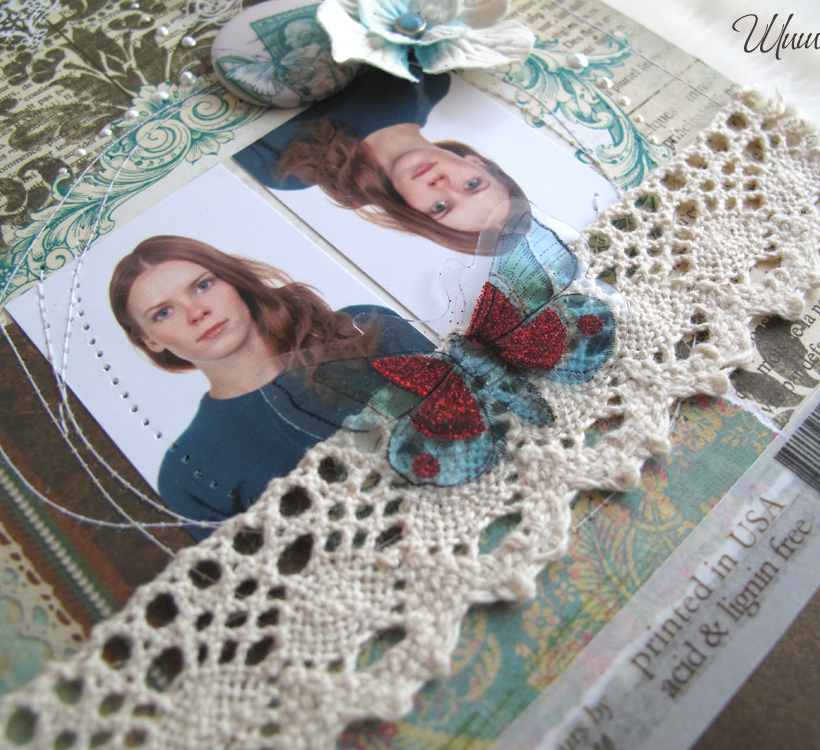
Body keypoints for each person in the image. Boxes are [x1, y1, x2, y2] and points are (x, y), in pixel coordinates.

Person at [109, 235, 433, 540]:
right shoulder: (189, 472)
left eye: (203, 285)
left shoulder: (365, 329)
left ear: (232, 280)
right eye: (163, 312)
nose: (196, 313)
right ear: (149, 340)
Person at [234, 68, 528, 254]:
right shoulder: (432, 81)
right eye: (472, 184)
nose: (442, 184)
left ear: (415, 215)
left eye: (439, 207)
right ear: (478, 163)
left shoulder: (283, 171)